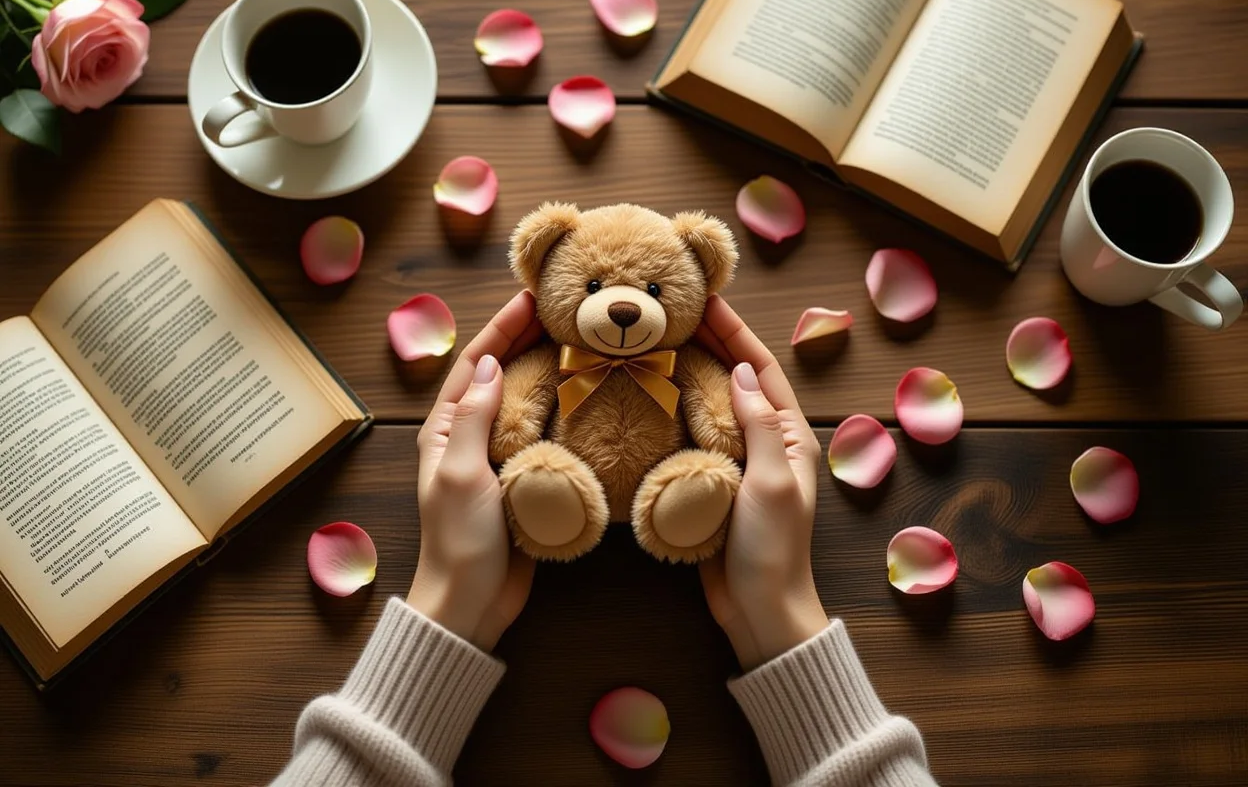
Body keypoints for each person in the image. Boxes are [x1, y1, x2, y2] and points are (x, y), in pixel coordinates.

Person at [271, 292, 937, 787]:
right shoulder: (553, 362)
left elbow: (716, 409)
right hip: (573, 477)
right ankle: (548, 496)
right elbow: (517, 412)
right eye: (591, 288)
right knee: (534, 471)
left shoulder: (680, 365)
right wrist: (775, 606)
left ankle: (685, 501)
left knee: (704, 474)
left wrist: (454, 597)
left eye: (652, 290)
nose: (621, 307)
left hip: (663, 477)